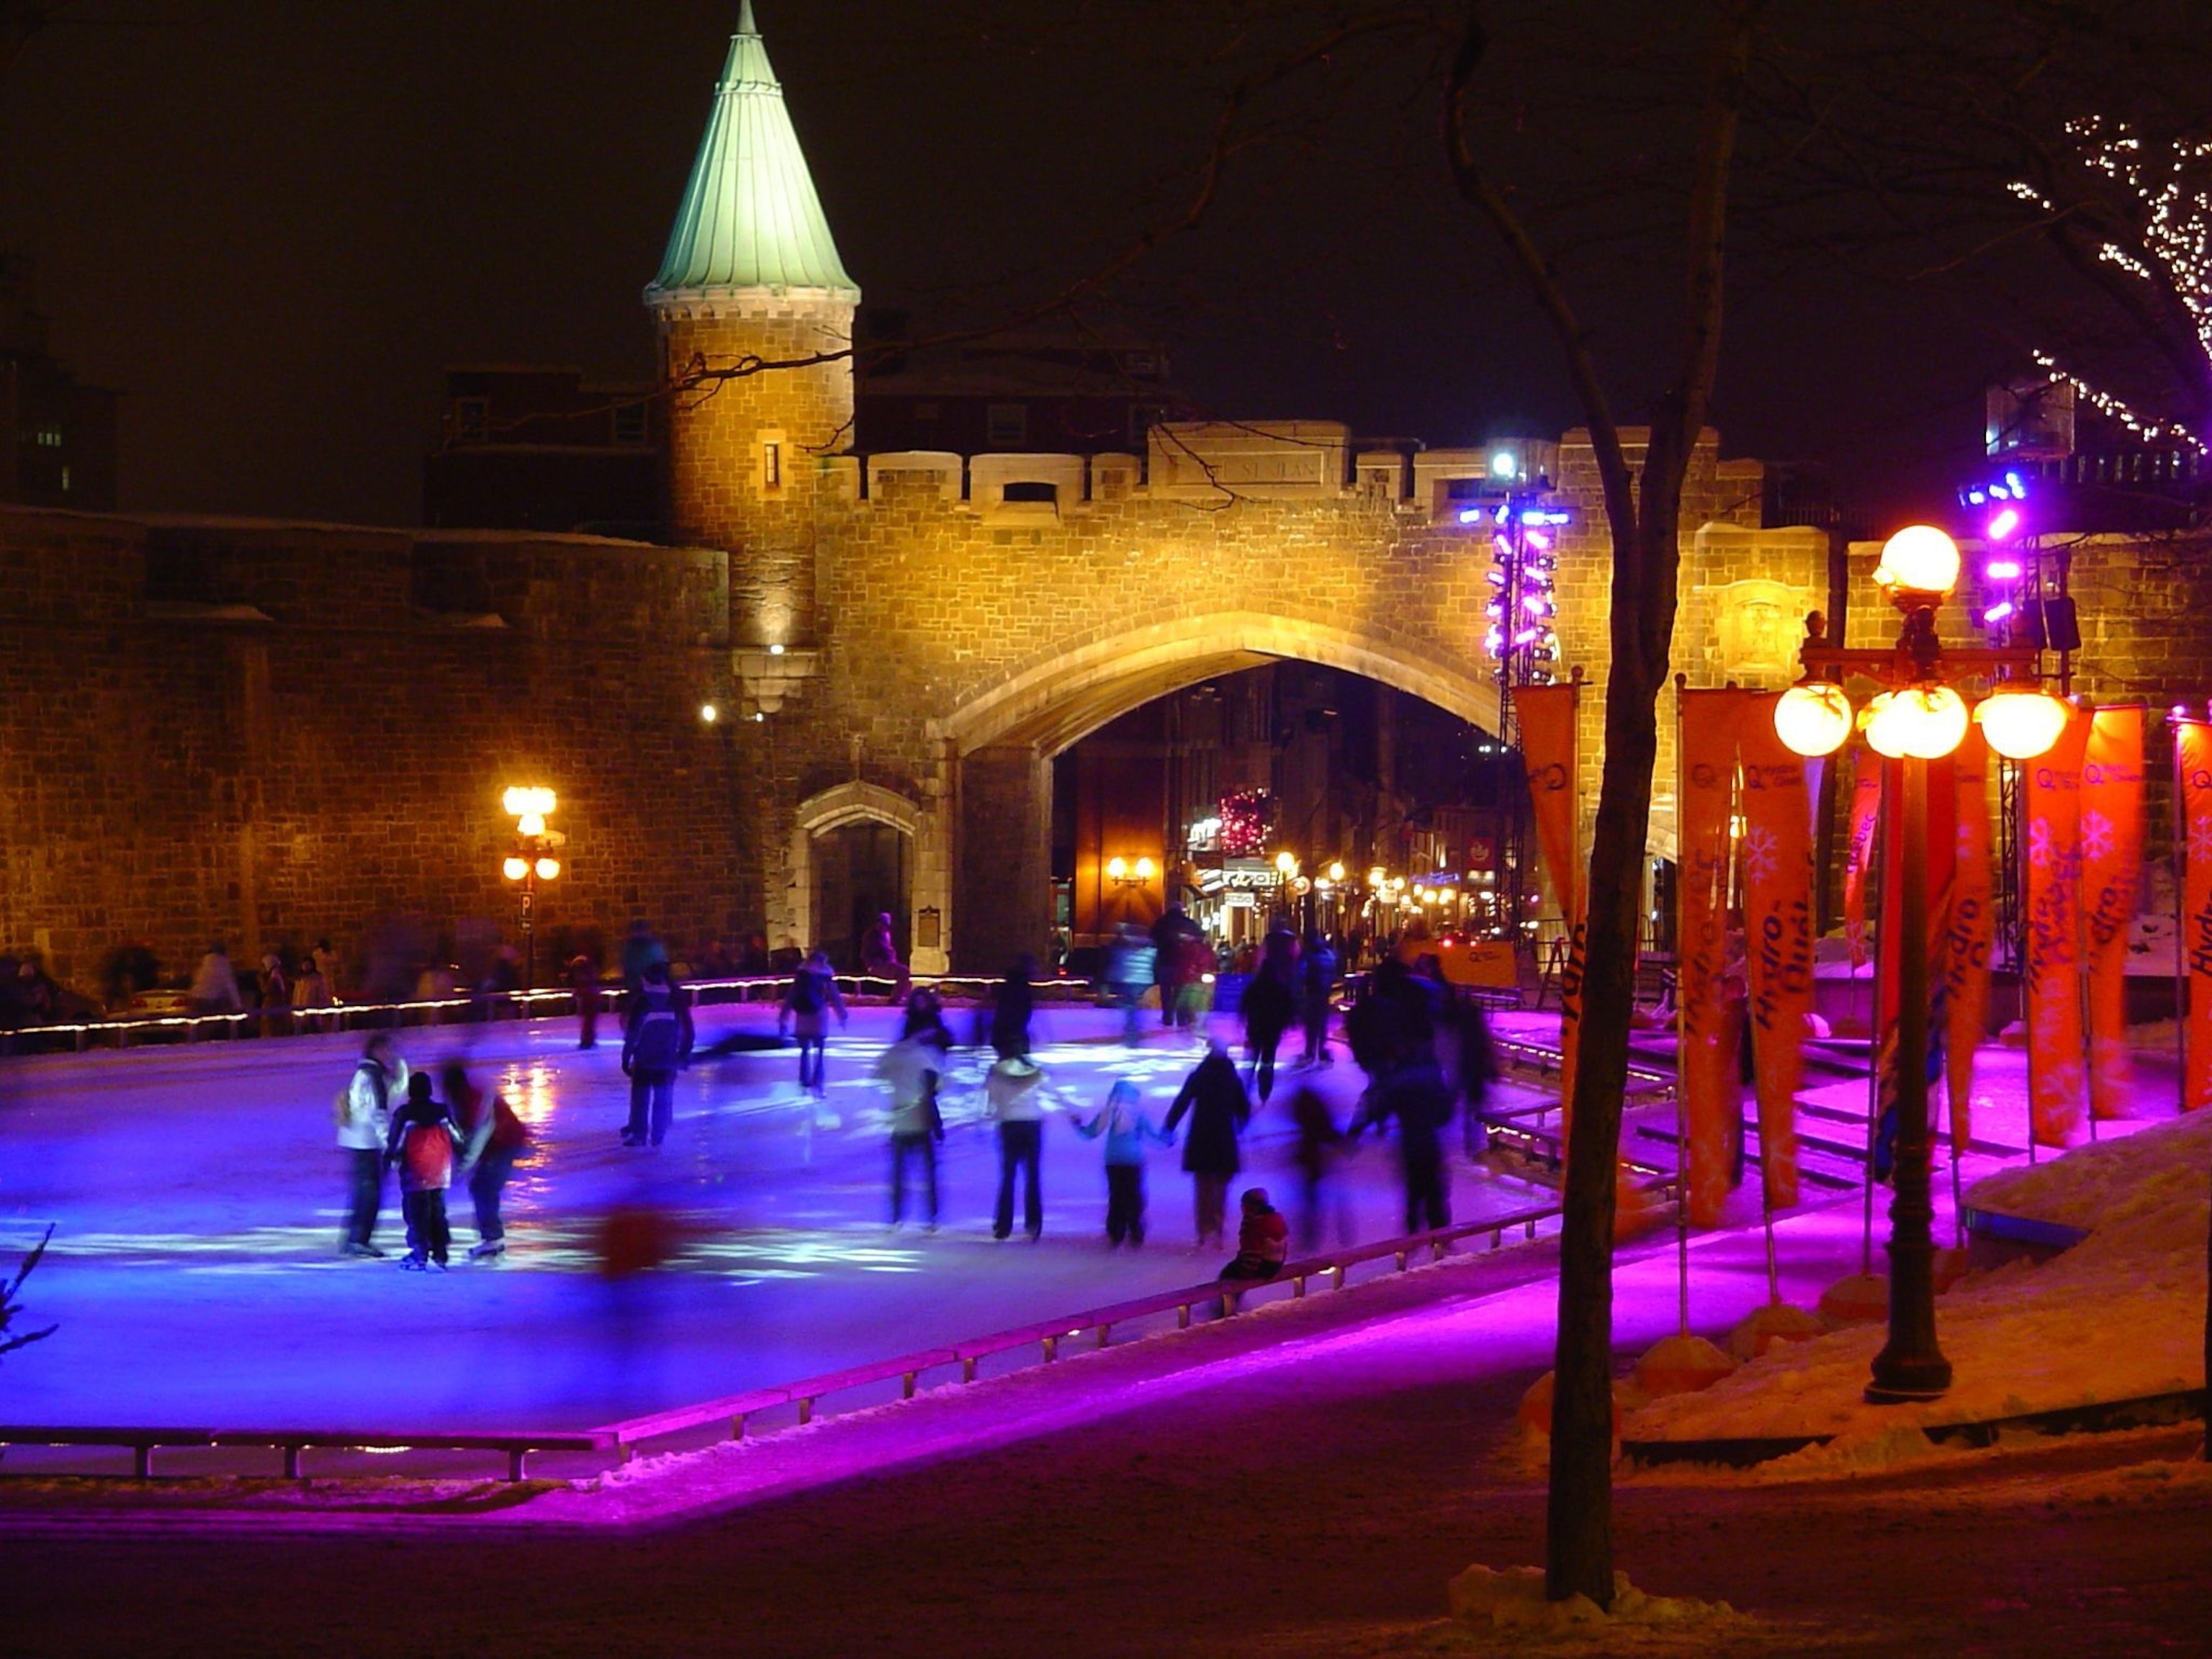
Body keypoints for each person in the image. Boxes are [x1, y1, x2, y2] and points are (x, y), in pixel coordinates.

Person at [1354, 1048, 1457, 1234]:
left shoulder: (1400, 1079)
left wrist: (1362, 1128)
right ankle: (1439, 1234)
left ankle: (1412, 1234)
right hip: (1430, 1141)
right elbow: (1445, 1113)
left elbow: (1380, 1108)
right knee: (1435, 1190)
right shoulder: (1432, 1077)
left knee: (1414, 1192)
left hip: (1410, 1142)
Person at [1162, 1040, 1250, 1248]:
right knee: (1222, 1184)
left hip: (1201, 1137)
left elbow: (1182, 1101)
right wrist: (1241, 1125)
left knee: (1203, 1185)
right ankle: (1218, 1225)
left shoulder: (1199, 1076)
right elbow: (1244, 1108)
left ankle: (1203, 1229)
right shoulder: (1232, 1079)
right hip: (1224, 1139)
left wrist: (1169, 1126)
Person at [446, 1060, 531, 1259]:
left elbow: (479, 1135)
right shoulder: (465, 1100)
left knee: (484, 1188)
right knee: (482, 1187)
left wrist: (464, 1165)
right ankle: (492, 1237)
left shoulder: (473, 1101)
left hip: (506, 1142)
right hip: (500, 1143)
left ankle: (493, 1239)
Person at [1074, 1079, 1173, 1247]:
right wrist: (1169, 1139)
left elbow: (1090, 1133)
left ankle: (1115, 1233)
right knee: (1135, 1196)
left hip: (1112, 1160)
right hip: (1133, 1160)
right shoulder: (1138, 1114)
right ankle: (1136, 1232)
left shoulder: (1107, 1113)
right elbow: (1154, 1135)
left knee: (1116, 1196)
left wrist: (1077, 1125)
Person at [333, 1033, 406, 1257]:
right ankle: (358, 1239)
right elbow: (376, 1114)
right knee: (369, 1192)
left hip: (363, 1140)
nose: (389, 1054)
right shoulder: (371, 1076)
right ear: (375, 1051)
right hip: (366, 1142)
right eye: (386, 1050)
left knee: (366, 1191)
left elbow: (394, 1095)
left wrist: (400, 1067)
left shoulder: (373, 1074)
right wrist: (389, 1145)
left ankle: (356, 1239)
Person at [384, 1071, 462, 1269]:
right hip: (439, 1170)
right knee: (438, 1210)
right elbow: (457, 1138)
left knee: (416, 1213)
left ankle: (420, 1252)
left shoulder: (404, 1114)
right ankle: (441, 1252)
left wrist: (390, 1161)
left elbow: (395, 1143)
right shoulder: (442, 1111)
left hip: (414, 1171)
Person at [876, 1028, 945, 1230]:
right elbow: (937, 1087)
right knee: (928, 1172)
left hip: (900, 1121)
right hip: (921, 1120)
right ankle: (931, 1217)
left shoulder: (891, 1055)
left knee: (899, 1172)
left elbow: (879, 1074)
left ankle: (897, 1217)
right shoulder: (925, 1057)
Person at [620, 960, 693, 1146]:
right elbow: (682, 1029)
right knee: (662, 1097)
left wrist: (626, 1057)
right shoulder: (673, 1000)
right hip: (666, 1058)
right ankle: (658, 1136)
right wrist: (682, 1053)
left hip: (644, 1060)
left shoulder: (642, 1002)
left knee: (640, 1098)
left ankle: (639, 1134)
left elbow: (633, 1033)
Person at [984, 1053, 1053, 1241]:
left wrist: (994, 1114)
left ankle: (1003, 1226)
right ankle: (1034, 1224)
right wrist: (1071, 1114)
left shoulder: (997, 1072)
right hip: (1032, 1124)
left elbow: (991, 1102)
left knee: (1008, 1176)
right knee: (1032, 1176)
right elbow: (1052, 1091)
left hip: (1009, 1125)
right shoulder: (1035, 1071)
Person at [1287, 1082, 1352, 1250]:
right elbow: (1324, 1129)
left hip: (1309, 1154)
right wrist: (1342, 1143)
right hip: (1314, 1155)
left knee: (1310, 1196)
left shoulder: (1303, 1103)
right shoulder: (1313, 1104)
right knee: (1312, 1196)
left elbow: (1320, 1128)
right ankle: (1311, 1235)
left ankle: (1309, 1235)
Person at [1240, 926, 1299, 1105]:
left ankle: (1245, 1089)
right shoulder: (1280, 988)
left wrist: (1244, 1020)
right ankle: (1265, 1089)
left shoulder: (1255, 986)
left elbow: (1245, 1004)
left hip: (1255, 1029)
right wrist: (1288, 1022)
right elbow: (1287, 1006)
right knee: (1268, 1059)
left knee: (1251, 1059)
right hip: (1272, 1031)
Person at [778, 948, 847, 1097]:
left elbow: (790, 998)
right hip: (819, 1018)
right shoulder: (825, 977)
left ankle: (804, 1082)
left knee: (804, 1052)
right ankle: (818, 1084)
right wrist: (843, 1016)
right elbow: (835, 998)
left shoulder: (801, 977)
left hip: (802, 1018)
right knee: (819, 1053)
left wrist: (783, 1019)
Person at [1219, 1187, 1290, 1281]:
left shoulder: (1254, 1223)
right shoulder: (1276, 1220)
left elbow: (1252, 1250)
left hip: (1260, 1267)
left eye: (1243, 1206)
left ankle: (1227, 1289)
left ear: (1250, 1206)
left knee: (1227, 1274)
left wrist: (1245, 1273)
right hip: (1275, 1266)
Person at [1103, 923, 1155, 1046]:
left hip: (1127, 980)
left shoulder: (1123, 948)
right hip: (1144, 980)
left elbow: (1117, 961)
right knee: (1133, 1006)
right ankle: (1133, 1030)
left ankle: (1132, 1033)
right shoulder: (1150, 949)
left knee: (1130, 1007)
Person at [1298, 928, 1338, 1066]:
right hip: (1324, 994)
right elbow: (1333, 970)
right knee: (1322, 1023)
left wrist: (1299, 991)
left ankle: (1310, 1052)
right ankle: (1321, 1050)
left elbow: (1301, 973)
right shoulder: (1328, 954)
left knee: (1311, 1024)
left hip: (1312, 992)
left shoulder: (1308, 955)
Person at [987, 954, 1035, 1061]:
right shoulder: (1018, 987)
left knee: (1012, 1061)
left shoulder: (1015, 984)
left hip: (1009, 1035)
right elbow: (1012, 1013)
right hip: (1010, 1036)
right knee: (1013, 1061)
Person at [188, 943, 242, 1022]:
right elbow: (231, 986)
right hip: (210, 1001)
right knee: (214, 1022)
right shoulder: (224, 965)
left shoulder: (205, 963)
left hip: (195, 998)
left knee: (197, 1024)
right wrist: (238, 1006)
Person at [860, 912, 908, 997]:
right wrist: (887, 952)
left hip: (886, 964)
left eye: (886, 925)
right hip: (876, 965)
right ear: (878, 923)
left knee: (905, 976)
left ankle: (904, 997)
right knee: (904, 972)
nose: (884, 927)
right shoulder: (871, 936)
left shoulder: (885, 934)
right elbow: (872, 952)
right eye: (882, 924)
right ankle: (895, 998)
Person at [568, 948, 604, 1049]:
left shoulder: (580, 966)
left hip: (589, 996)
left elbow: (580, 981)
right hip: (592, 995)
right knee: (590, 1020)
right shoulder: (587, 966)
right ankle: (588, 1040)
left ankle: (587, 1040)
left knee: (588, 1020)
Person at [256, 951, 289, 1038]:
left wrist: (266, 979)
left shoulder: (275, 976)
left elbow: (266, 989)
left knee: (273, 1029)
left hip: (274, 1005)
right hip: (272, 1005)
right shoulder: (271, 976)